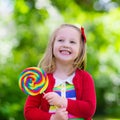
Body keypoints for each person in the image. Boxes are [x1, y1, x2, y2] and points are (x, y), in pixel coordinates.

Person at [24, 24, 96, 120]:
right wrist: (53, 118)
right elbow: (29, 111)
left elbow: (89, 110)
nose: (66, 45)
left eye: (72, 42)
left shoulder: (85, 78)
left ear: (80, 49)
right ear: (52, 45)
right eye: (61, 40)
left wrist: (62, 102)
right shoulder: (41, 80)